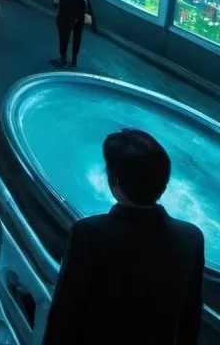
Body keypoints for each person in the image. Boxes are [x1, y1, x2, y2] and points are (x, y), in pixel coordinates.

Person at [43, 129, 204, 345]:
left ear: (114, 182)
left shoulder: (88, 234)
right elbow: (190, 321)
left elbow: (66, 314)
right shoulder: (191, 238)